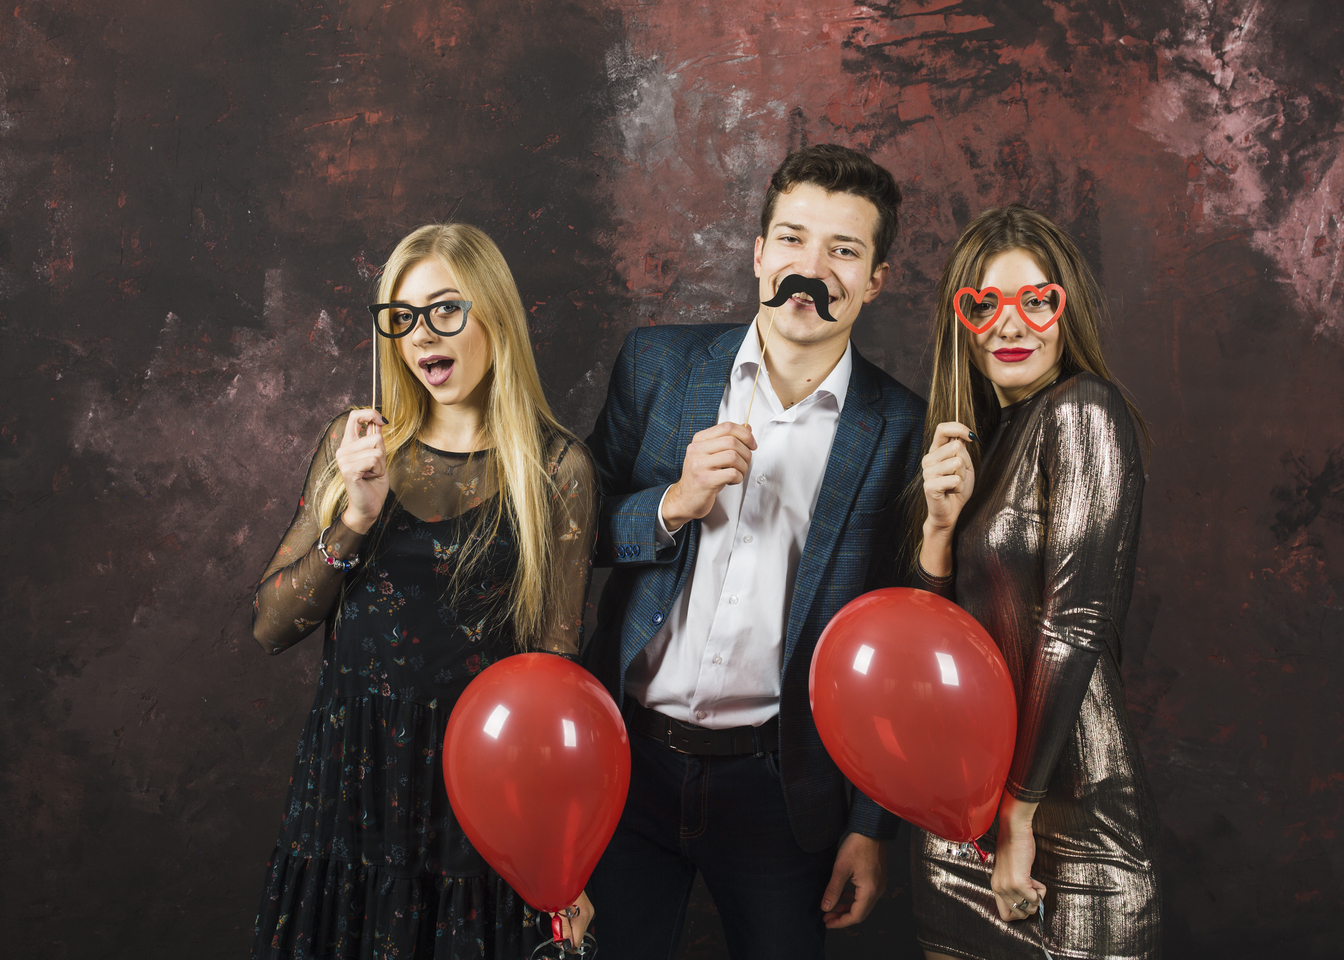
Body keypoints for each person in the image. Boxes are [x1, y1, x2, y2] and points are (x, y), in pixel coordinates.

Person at [582, 143, 928, 959]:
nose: (813, 268)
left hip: (783, 789)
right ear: (760, 253)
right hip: (626, 763)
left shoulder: (901, 428)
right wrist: (672, 504)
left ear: (875, 278)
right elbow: (573, 531)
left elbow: (904, 643)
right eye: (794, 240)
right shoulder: (658, 366)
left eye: (844, 250)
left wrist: (873, 829)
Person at [249, 223, 598, 959]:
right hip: (353, 779)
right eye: (401, 318)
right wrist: (357, 516)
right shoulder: (356, 445)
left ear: (495, 314)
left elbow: (557, 676)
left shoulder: (555, 469)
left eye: (446, 309)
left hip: (479, 792)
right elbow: (270, 625)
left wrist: (562, 859)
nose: (420, 335)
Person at [909, 204, 1161, 960]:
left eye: (1035, 301)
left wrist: (1019, 816)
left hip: (1073, 831)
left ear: (1065, 308)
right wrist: (939, 530)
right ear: (963, 320)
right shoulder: (977, 446)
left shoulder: (1084, 411)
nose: (1009, 324)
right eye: (984, 304)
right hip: (962, 828)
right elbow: (928, 647)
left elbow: (1075, 621)